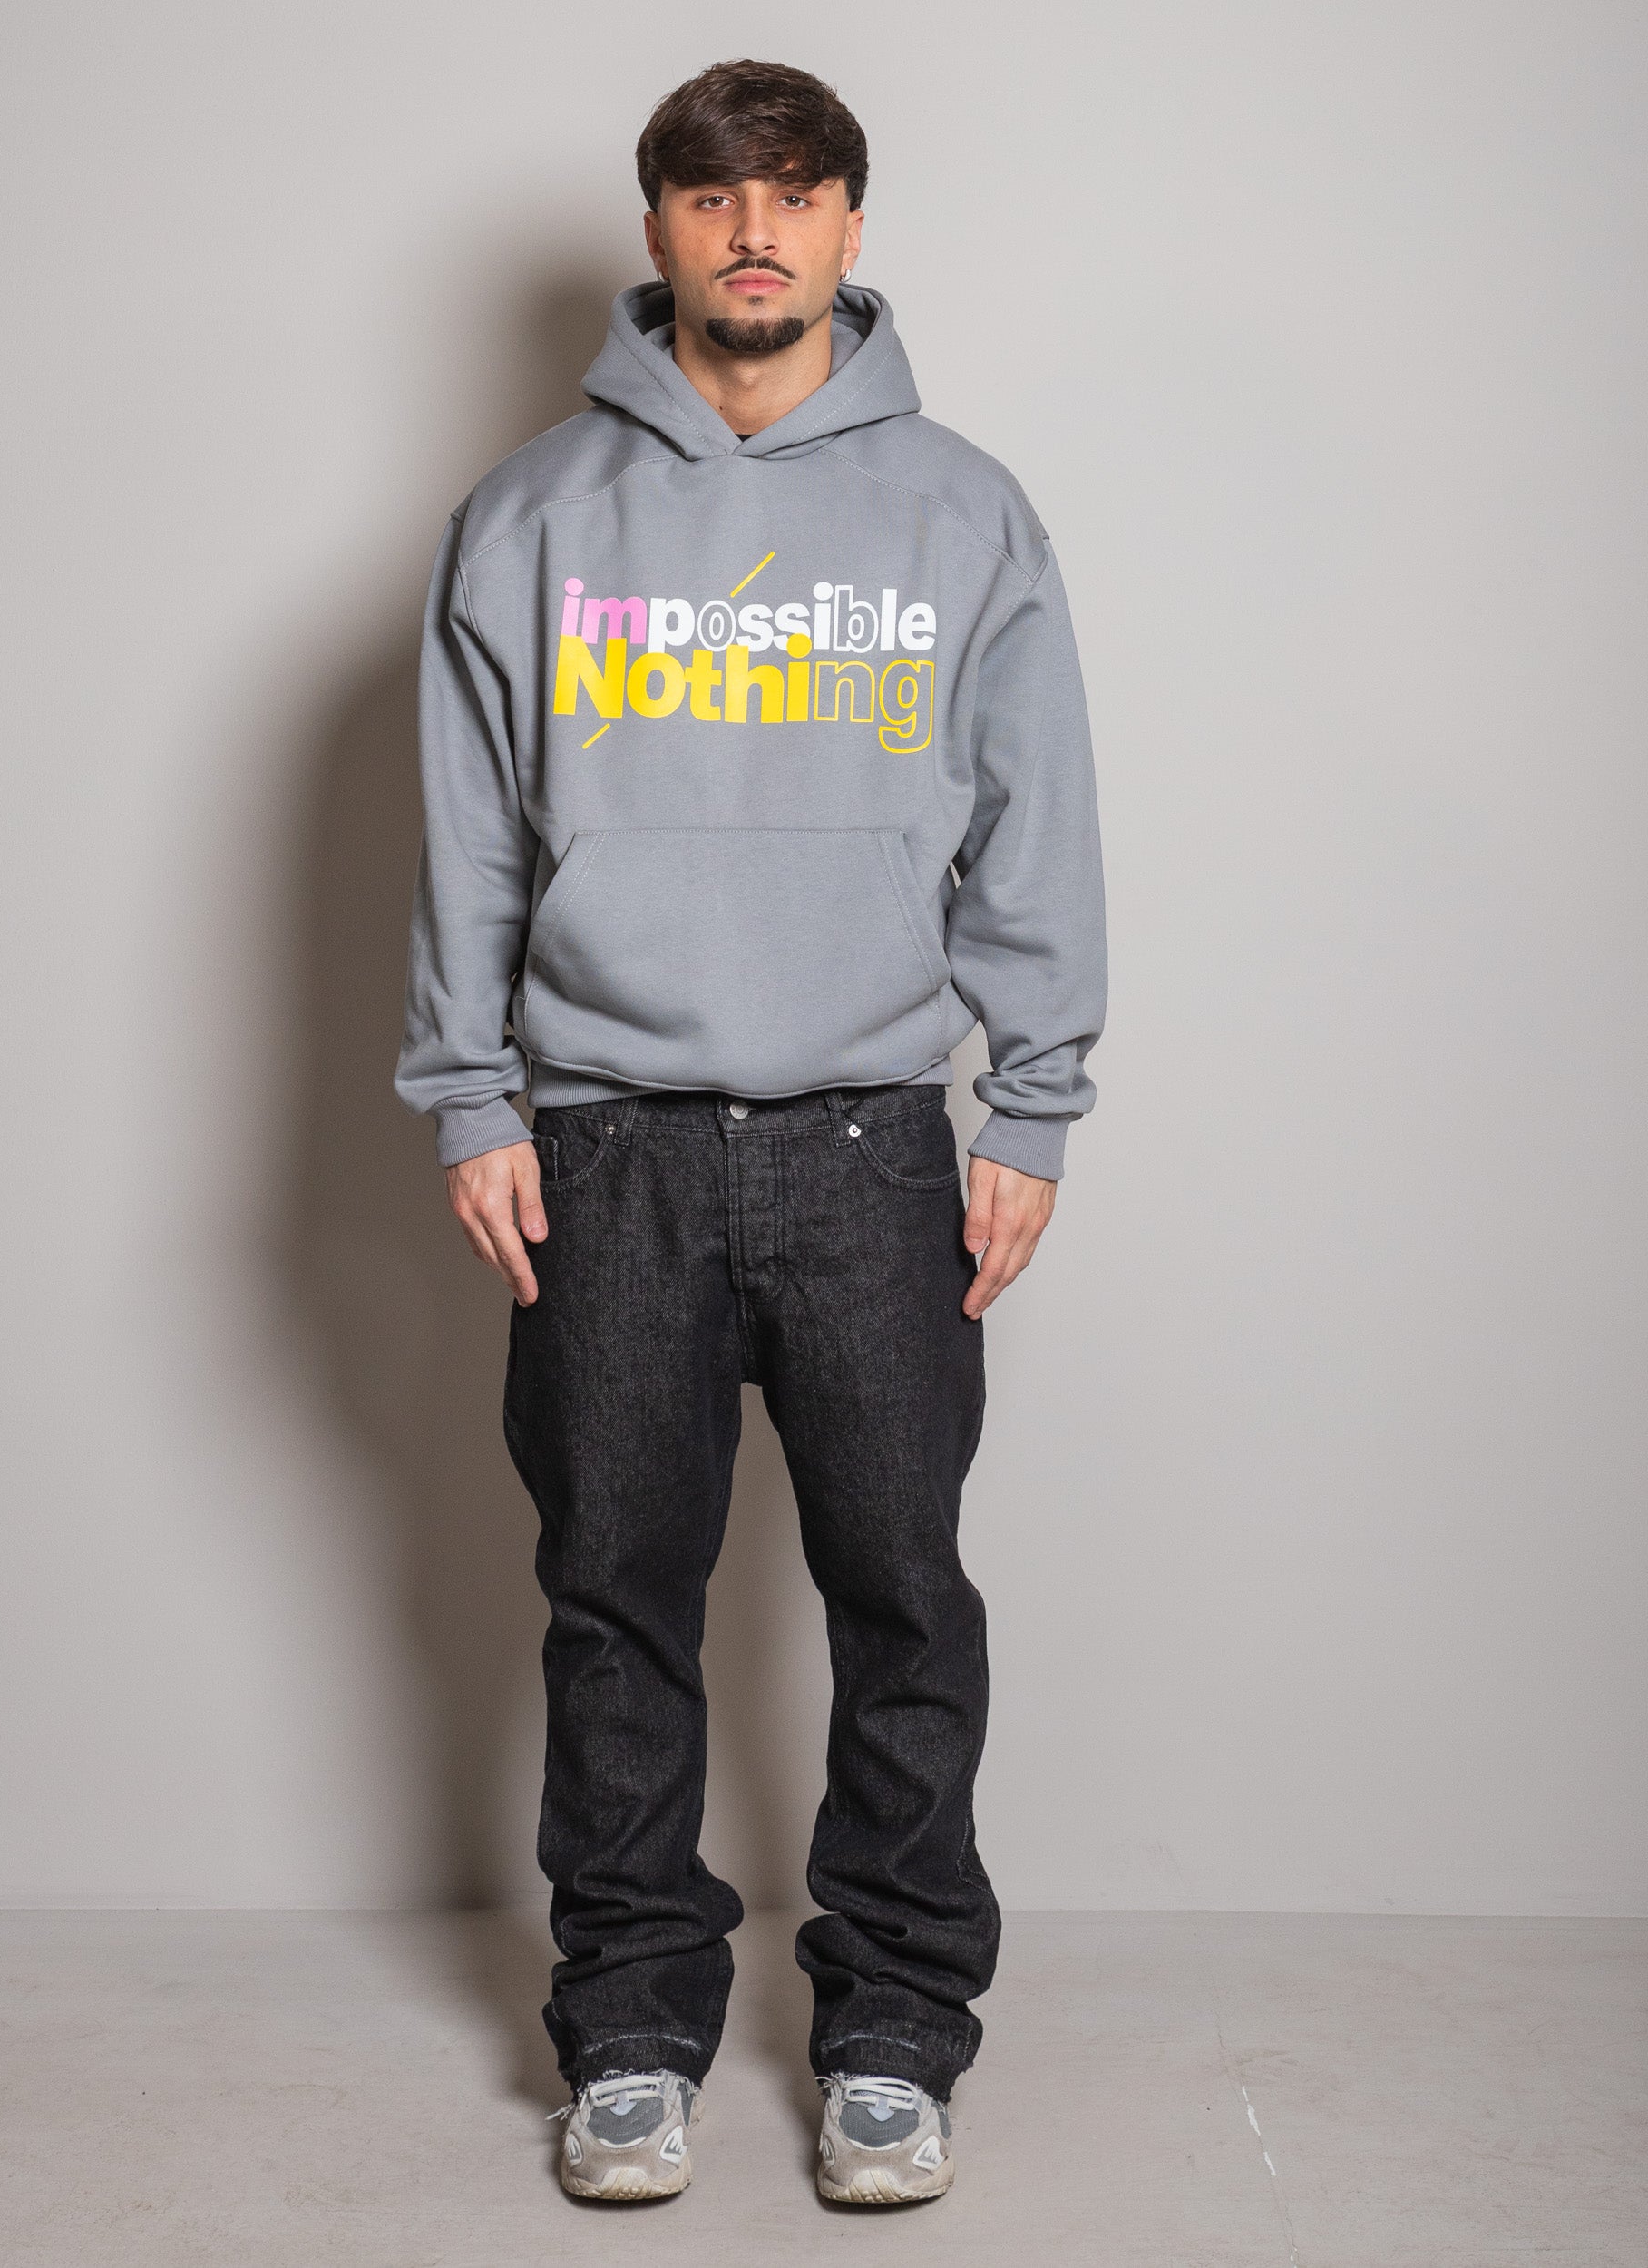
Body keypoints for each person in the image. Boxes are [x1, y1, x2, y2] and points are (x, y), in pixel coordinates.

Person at [395, 57, 1107, 2207]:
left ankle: (892, 2029)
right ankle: (629, 2031)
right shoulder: (530, 515)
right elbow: (466, 835)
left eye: (795, 193)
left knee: (900, 1599)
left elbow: (1035, 820)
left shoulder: (964, 511)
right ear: (660, 232)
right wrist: (468, 1091)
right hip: (602, 1147)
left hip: (876, 1143)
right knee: (614, 1600)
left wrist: (1032, 1100)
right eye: (714, 197)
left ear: (850, 226)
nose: (756, 230)